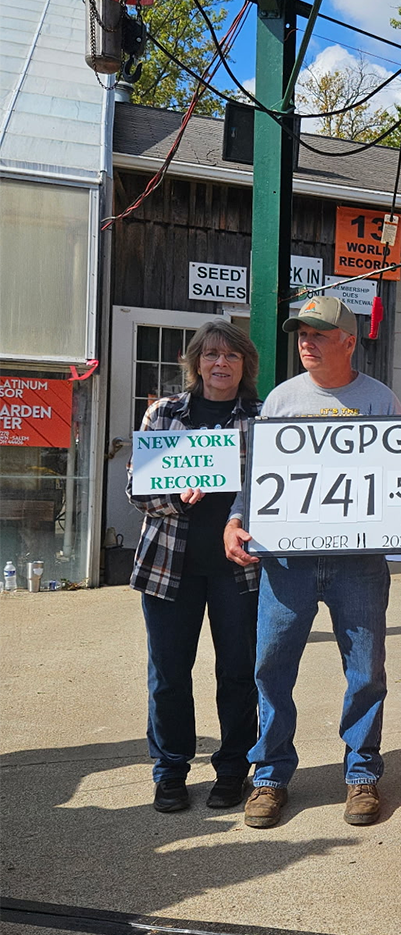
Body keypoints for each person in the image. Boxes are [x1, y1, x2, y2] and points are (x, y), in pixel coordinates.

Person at [224, 294, 401, 831]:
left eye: (319, 334)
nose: (306, 341)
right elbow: (258, 477)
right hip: (287, 563)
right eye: (302, 333)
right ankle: (270, 776)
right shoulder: (281, 400)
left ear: (350, 341)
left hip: (358, 564)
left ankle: (362, 774)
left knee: (366, 671)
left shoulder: (379, 401)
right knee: (271, 668)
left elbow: (400, 477)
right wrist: (235, 519)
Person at [129, 321, 261, 814]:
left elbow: (273, 492)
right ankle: (170, 772)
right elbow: (137, 490)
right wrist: (175, 501)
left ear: (244, 364)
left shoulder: (261, 418)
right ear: (195, 361)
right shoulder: (164, 413)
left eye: (230, 355)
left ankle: (232, 771)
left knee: (238, 674)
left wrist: (239, 516)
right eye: (210, 354)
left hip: (238, 570)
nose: (220, 363)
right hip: (169, 566)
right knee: (167, 675)